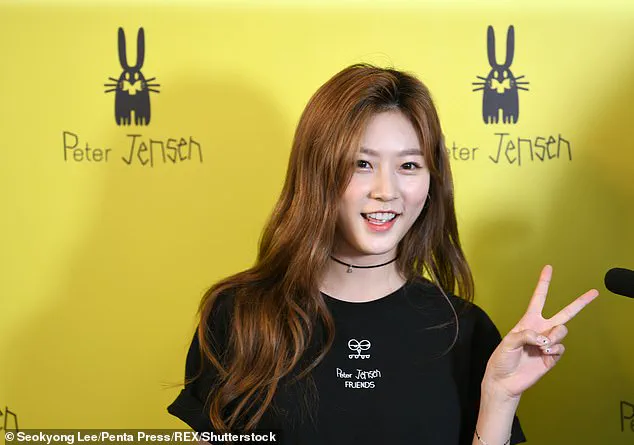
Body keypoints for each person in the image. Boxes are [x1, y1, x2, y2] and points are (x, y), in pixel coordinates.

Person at [167, 64, 598, 444]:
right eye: (362, 163)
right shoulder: (240, 316)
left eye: (409, 165)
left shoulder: (465, 330)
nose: (386, 191)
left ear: (432, 182)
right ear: (317, 171)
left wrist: (499, 398)